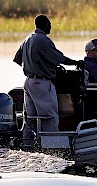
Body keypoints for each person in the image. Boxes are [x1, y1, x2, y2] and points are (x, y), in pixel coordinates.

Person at [12, 14, 85, 143]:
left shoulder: (27, 39)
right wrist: (76, 63)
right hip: (42, 83)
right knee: (49, 117)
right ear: (44, 24)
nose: (50, 26)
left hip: (28, 82)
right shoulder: (42, 40)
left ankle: (28, 142)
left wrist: (34, 63)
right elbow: (59, 58)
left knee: (30, 117)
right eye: (49, 24)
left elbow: (18, 59)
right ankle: (53, 145)